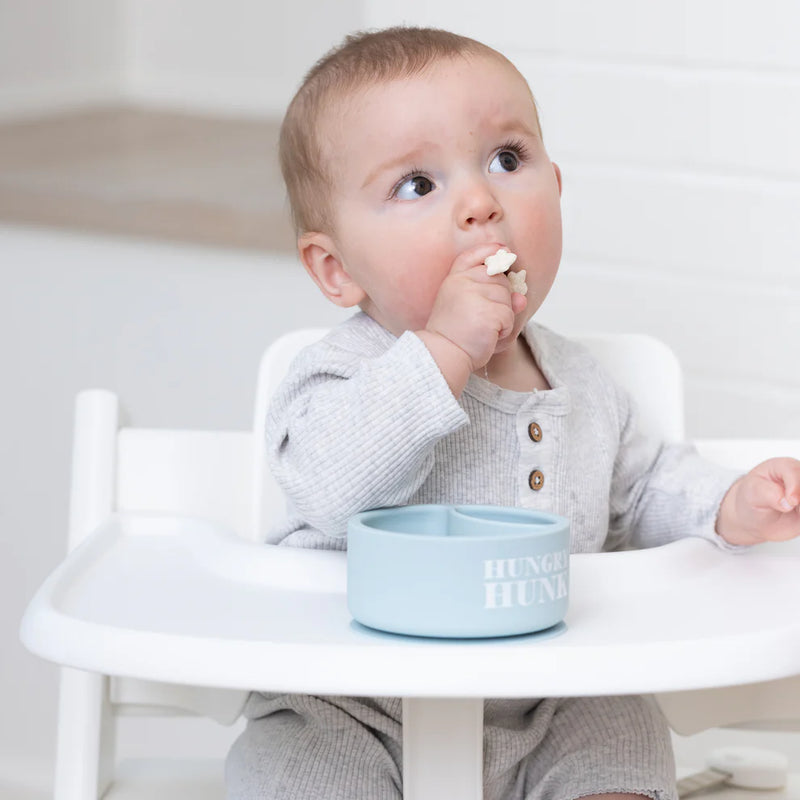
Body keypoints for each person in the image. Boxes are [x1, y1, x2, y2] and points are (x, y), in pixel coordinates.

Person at [226, 26, 800, 800]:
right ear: (336, 269)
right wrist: (443, 350)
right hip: (353, 700)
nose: (479, 203)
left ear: (557, 186)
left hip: (552, 693)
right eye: (417, 185)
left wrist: (730, 505)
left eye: (506, 160)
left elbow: (641, 490)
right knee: (298, 770)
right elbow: (329, 484)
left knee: (623, 731)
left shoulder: (582, 384)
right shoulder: (340, 373)